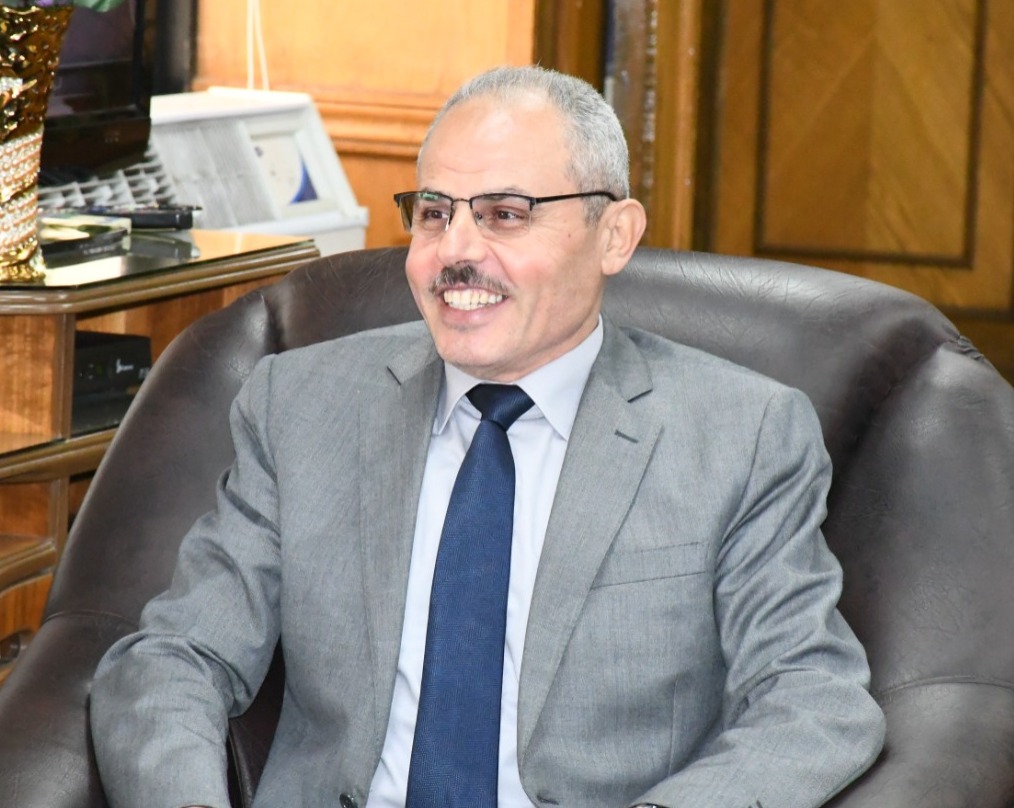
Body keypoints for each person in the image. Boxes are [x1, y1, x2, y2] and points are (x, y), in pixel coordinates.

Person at [90, 65, 885, 808]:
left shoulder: (739, 436)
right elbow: (176, 660)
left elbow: (812, 700)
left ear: (615, 235)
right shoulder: (302, 406)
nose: (457, 252)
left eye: (506, 214)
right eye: (434, 214)